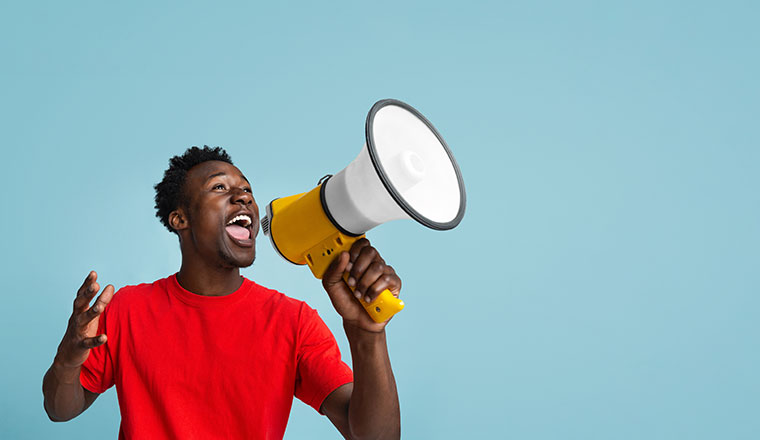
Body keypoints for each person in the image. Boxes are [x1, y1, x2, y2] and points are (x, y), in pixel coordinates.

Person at [42, 146, 402, 439]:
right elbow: (60, 410)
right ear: (179, 219)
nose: (243, 197)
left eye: (247, 190)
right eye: (220, 188)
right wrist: (68, 360)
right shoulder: (125, 309)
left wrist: (367, 334)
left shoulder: (293, 322)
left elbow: (374, 437)